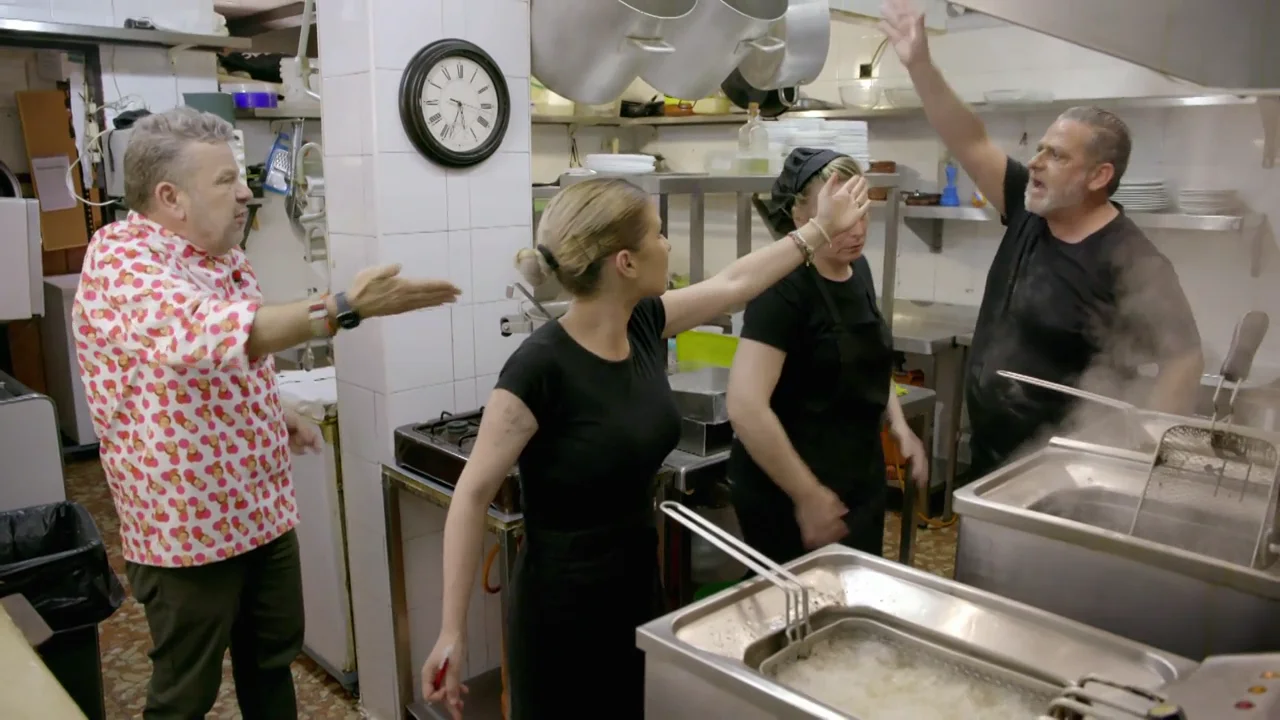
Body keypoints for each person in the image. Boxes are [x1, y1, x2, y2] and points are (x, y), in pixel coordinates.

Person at [422, 172, 871, 719]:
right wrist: (452, 630)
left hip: (636, 587)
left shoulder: (643, 325)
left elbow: (735, 283)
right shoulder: (539, 369)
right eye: (658, 234)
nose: (668, 244)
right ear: (624, 262)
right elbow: (471, 498)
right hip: (562, 611)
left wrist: (821, 229)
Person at [72, 106, 461, 719]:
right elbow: (198, 333)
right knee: (185, 693)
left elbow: (223, 359)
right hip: (187, 530)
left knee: (270, 662)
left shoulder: (226, 258)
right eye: (226, 180)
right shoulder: (121, 260)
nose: (245, 192)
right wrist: (341, 309)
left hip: (260, 511)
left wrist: (275, 410)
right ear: (170, 197)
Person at [881, 0, 1204, 480]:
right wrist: (921, 66)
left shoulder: (1133, 262)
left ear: (1099, 176)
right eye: (1039, 149)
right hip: (991, 455)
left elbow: (1185, 358)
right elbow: (969, 139)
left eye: (1056, 155)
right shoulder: (1028, 210)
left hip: (1067, 470)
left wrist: (1137, 451)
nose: (1035, 162)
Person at [727, 149, 929, 564]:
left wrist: (899, 425)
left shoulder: (860, 270)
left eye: (861, 212)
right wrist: (808, 496)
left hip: (856, 478)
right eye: (838, 215)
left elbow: (868, 360)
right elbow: (745, 406)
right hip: (789, 491)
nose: (855, 230)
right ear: (802, 216)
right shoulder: (781, 286)